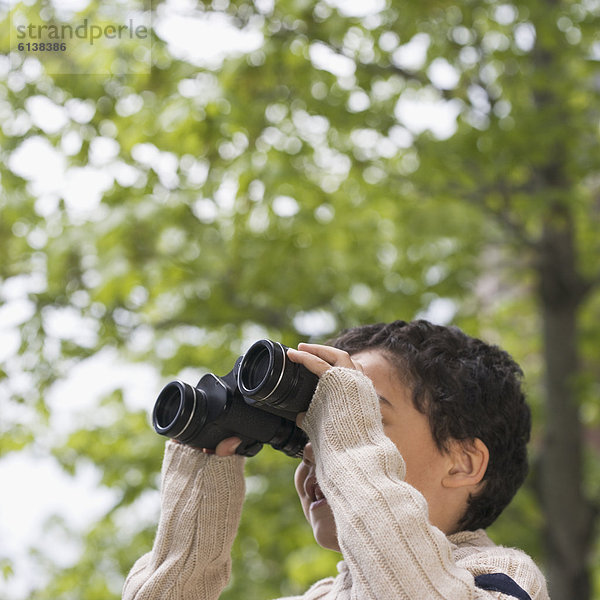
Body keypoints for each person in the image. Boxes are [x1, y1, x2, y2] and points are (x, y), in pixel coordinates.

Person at [123, 320, 549, 599]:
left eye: (364, 421)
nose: (316, 449)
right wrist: (192, 532)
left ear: (462, 462)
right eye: (309, 432)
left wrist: (344, 437)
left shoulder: (501, 577)